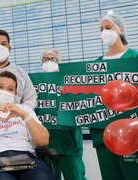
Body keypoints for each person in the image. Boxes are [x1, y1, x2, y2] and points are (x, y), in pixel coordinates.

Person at [89, 12, 138, 180]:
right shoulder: (96, 65)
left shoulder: (136, 58)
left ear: (119, 30)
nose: (103, 31)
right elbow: (89, 98)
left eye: (108, 27)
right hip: (103, 134)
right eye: (101, 29)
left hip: (132, 132)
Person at [41, 49, 86, 180]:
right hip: (46, 144)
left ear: (59, 62)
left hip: (68, 142)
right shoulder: (36, 85)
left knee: (75, 176)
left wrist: (69, 94)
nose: (49, 62)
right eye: (45, 59)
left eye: (53, 59)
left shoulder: (70, 82)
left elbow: (83, 107)